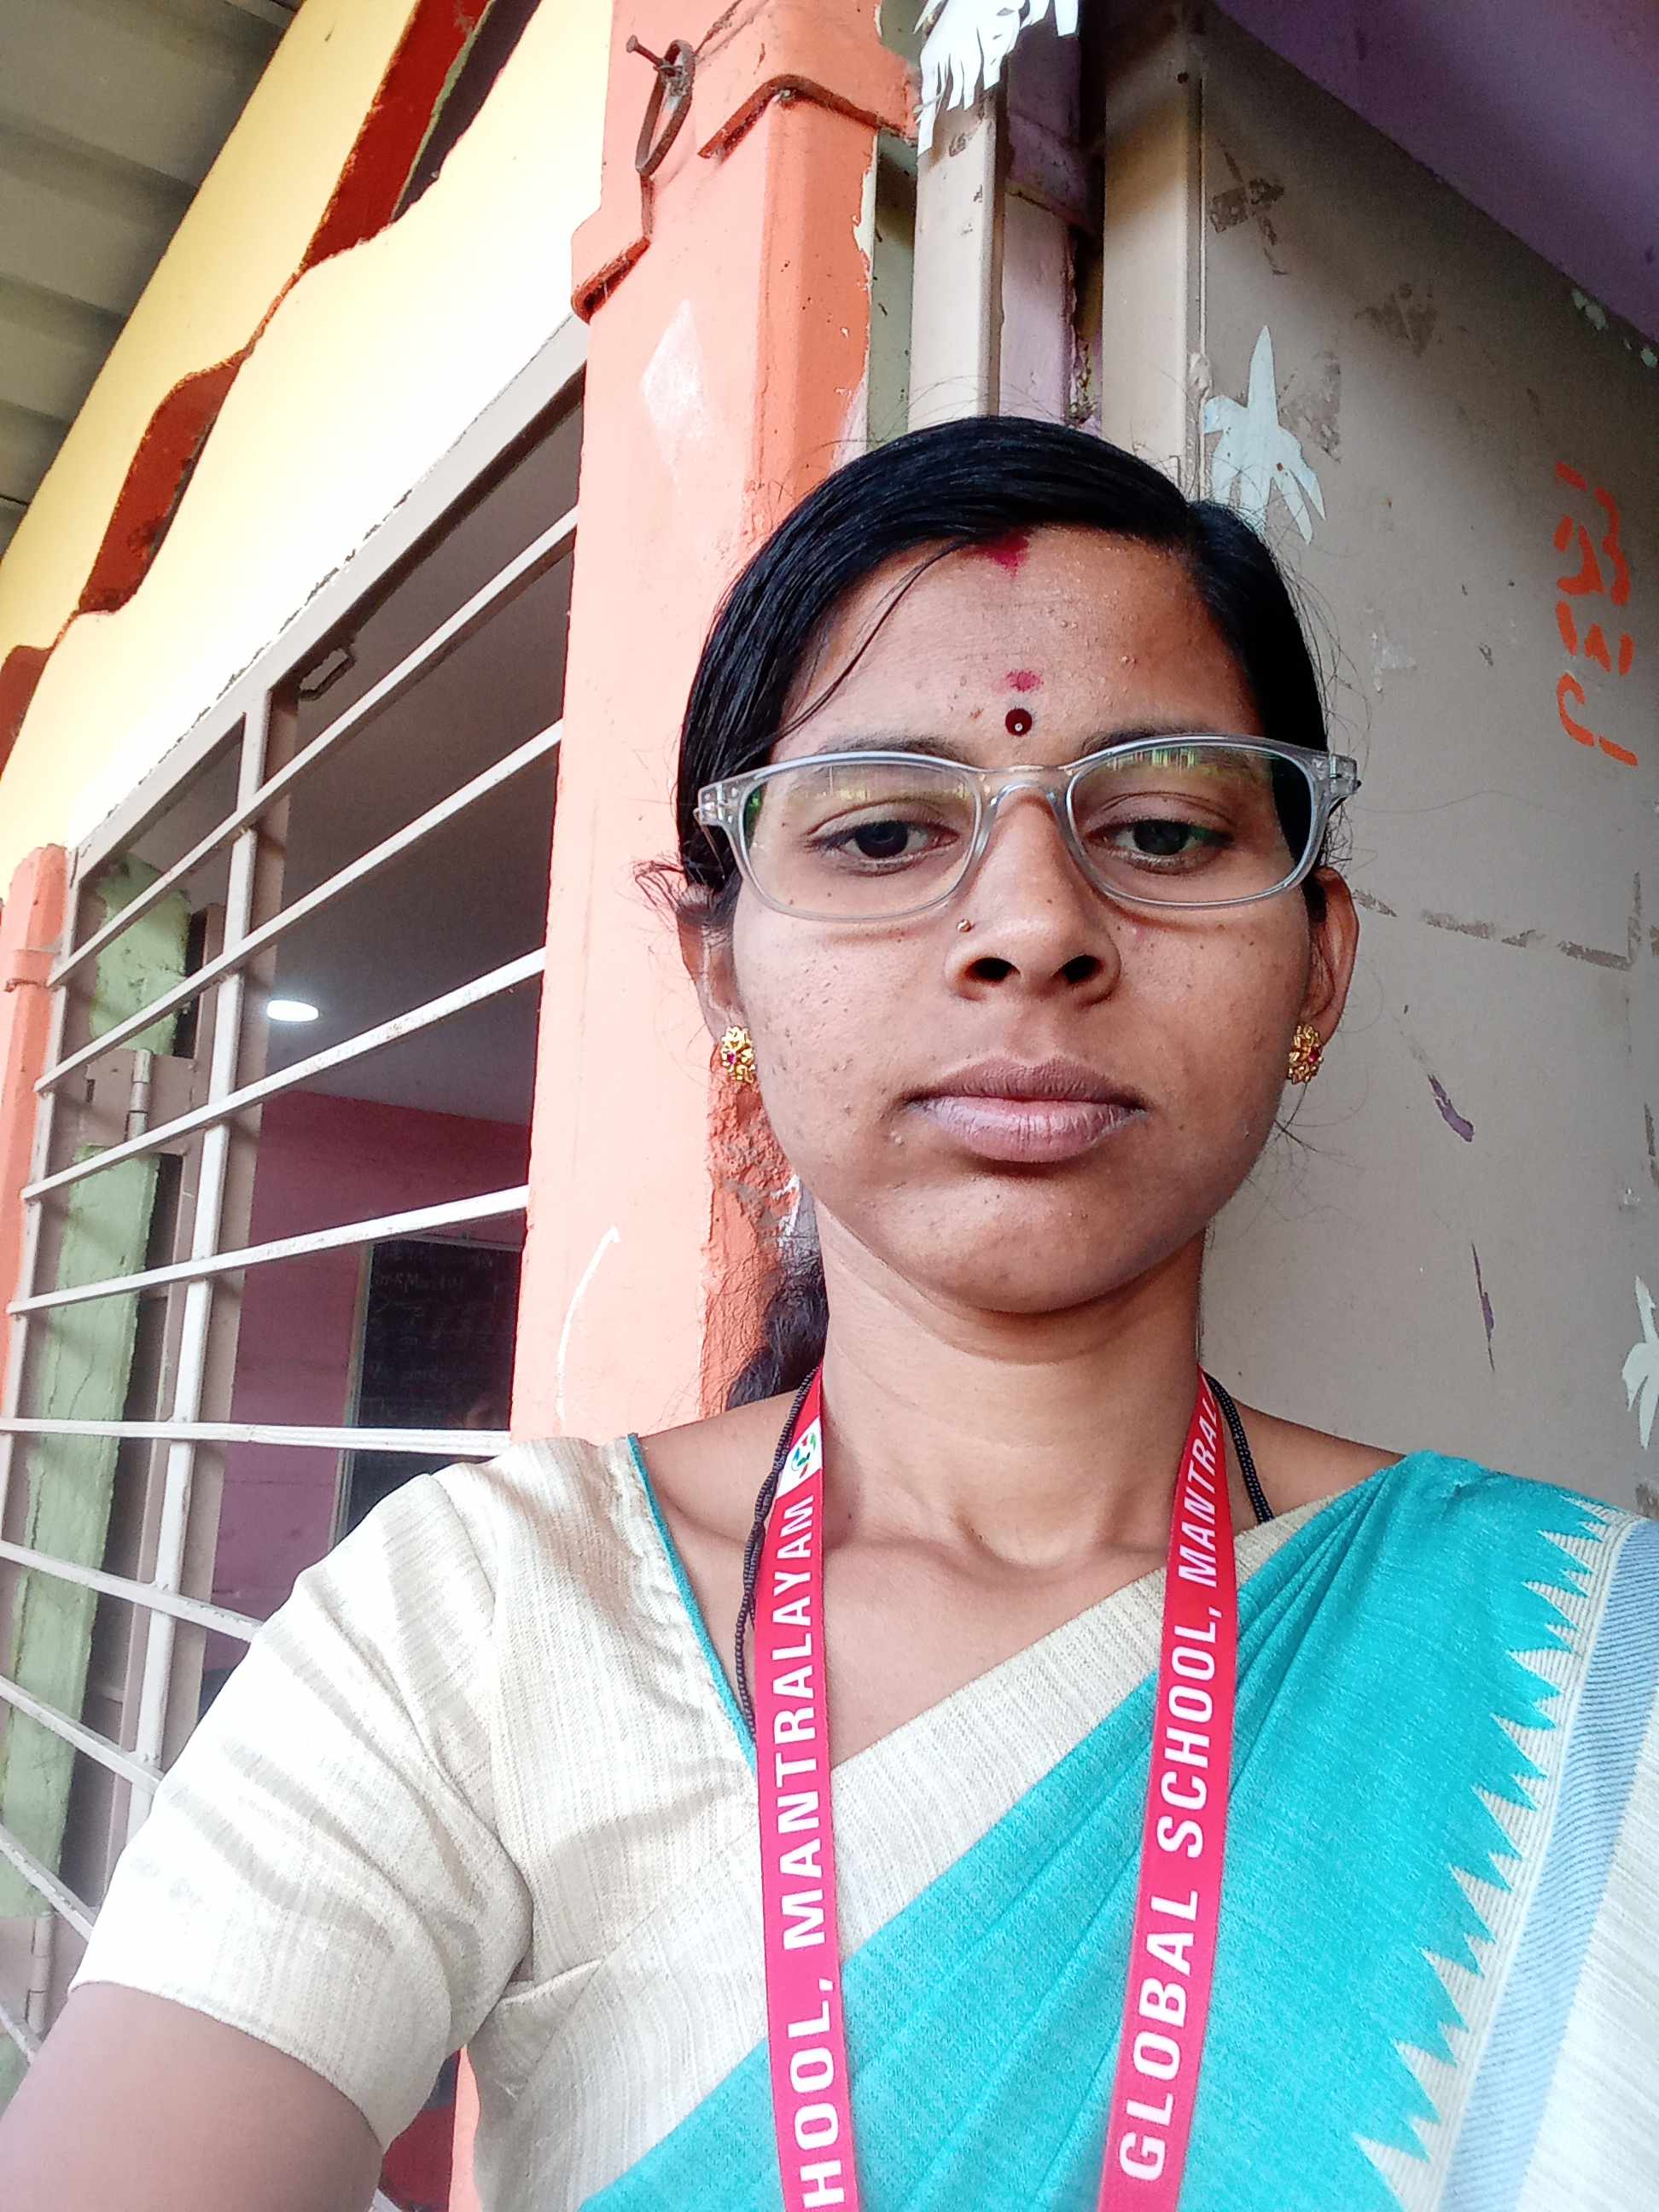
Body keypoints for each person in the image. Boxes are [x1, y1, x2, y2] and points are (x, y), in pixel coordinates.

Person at [2, 418, 1654, 2212]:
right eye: (879, 832)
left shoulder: (1587, 1669)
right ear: (719, 966)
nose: (1033, 926)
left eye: (1165, 829)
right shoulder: (473, 1627)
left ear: (1315, 961)